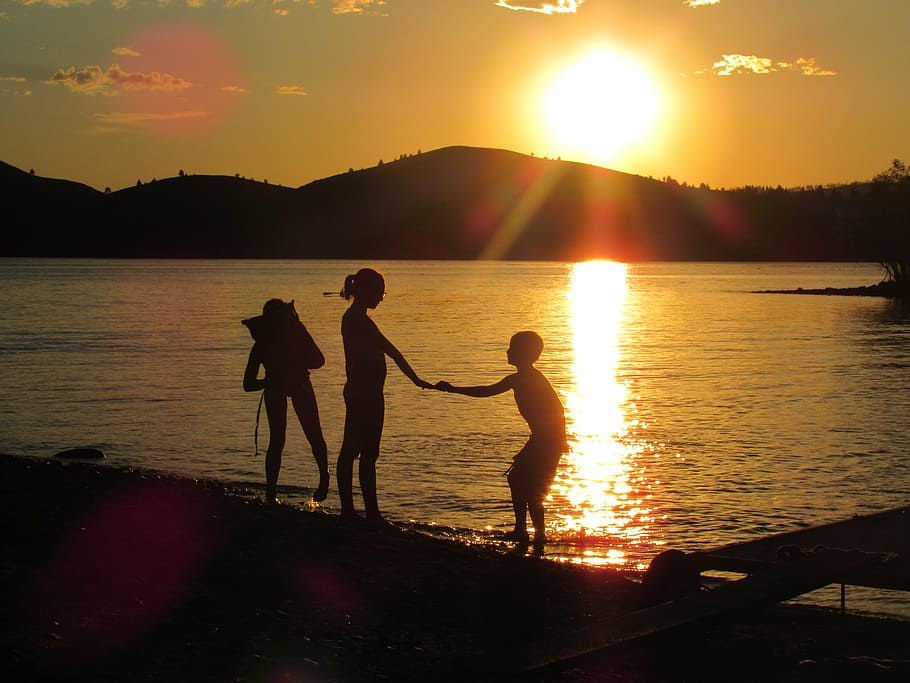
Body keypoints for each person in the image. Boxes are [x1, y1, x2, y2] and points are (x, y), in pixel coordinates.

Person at [435, 331, 567, 550]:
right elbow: (488, 392)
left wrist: (452, 389)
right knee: (521, 481)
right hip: (545, 439)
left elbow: (487, 392)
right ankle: (526, 532)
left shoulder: (527, 378)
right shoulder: (521, 378)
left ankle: (532, 534)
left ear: (524, 353)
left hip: (547, 440)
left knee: (528, 484)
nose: (507, 351)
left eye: (512, 348)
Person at [337, 268, 433, 526]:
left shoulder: (361, 319)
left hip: (371, 393)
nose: (381, 297)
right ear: (365, 291)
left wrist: (416, 380)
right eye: (378, 292)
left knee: (369, 452)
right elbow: (390, 351)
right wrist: (416, 380)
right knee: (352, 450)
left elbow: (390, 351)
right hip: (361, 393)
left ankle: (370, 512)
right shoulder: (356, 320)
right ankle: (351, 511)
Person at [243, 298, 330, 505]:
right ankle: (271, 493)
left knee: (313, 435)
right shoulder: (261, 345)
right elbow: (248, 384)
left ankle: (324, 477)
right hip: (276, 390)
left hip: (300, 385)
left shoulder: (295, 337)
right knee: (278, 440)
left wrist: (299, 349)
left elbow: (319, 360)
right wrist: (268, 381)